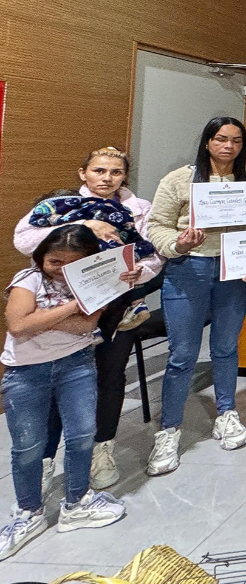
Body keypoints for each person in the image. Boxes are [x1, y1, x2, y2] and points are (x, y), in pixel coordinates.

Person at [12, 147, 166, 489]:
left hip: (117, 303)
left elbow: (153, 255)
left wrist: (139, 273)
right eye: (99, 170)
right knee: (60, 379)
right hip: (64, 303)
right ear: (84, 173)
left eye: (115, 172)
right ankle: (46, 459)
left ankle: (101, 450)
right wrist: (83, 224)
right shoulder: (62, 204)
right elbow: (23, 241)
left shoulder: (139, 208)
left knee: (110, 375)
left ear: (124, 176)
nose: (107, 178)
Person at [145, 117, 246, 476]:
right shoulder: (178, 179)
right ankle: (169, 430)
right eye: (220, 139)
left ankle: (226, 413)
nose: (228, 146)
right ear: (207, 142)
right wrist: (178, 244)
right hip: (189, 269)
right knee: (183, 354)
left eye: (236, 140)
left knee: (226, 347)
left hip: (235, 269)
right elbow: (156, 226)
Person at [1, 226, 127, 561]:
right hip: (26, 371)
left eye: (72, 263)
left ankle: (77, 503)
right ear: (41, 255)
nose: (60, 269)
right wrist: (73, 307)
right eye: (54, 261)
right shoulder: (27, 279)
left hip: (77, 365)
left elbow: (87, 326)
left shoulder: (95, 281)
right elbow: (18, 326)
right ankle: (28, 512)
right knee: (28, 446)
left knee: (82, 435)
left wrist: (40, 318)